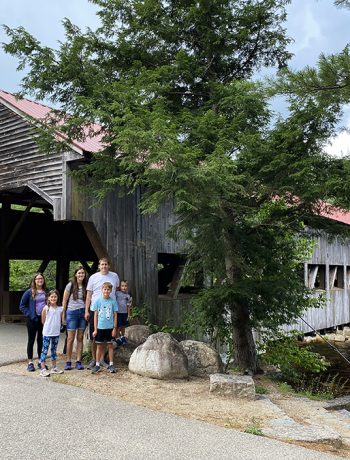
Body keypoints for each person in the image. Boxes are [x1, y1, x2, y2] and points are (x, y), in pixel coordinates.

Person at [85, 257, 120, 369]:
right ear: (99, 266)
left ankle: (102, 360)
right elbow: (89, 295)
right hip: (95, 309)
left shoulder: (114, 276)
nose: (104, 266)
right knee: (93, 336)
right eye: (102, 264)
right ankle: (94, 359)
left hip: (109, 310)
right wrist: (86, 310)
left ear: (108, 265)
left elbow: (117, 291)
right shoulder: (93, 277)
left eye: (106, 264)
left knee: (107, 337)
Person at [19, 272, 49, 372]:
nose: (40, 280)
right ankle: (30, 362)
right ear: (34, 280)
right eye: (37, 279)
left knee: (41, 340)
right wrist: (30, 315)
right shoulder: (29, 292)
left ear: (43, 280)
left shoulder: (46, 291)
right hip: (32, 319)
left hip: (43, 320)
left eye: (41, 279)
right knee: (31, 340)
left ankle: (41, 361)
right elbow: (22, 306)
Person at [62, 266, 88, 370]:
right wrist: (63, 314)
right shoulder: (70, 285)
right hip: (72, 312)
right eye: (79, 273)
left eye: (83, 273)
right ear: (76, 274)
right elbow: (64, 300)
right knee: (70, 338)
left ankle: (78, 361)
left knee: (80, 338)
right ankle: (68, 361)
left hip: (82, 313)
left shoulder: (86, 286)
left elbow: (88, 300)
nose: (81, 275)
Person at [91, 282, 118, 374]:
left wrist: (114, 328)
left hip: (110, 327)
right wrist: (95, 329)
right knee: (99, 346)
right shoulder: (98, 301)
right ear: (102, 290)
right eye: (105, 289)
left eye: (108, 289)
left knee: (110, 345)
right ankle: (97, 365)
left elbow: (115, 315)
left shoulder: (113, 302)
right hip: (100, 327)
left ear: (110, 291)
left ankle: (111, 364)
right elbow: (95, 316)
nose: (106, 291)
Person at [39, 289, 64, 377]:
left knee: (54, 350)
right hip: (47, 333)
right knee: (44, 350)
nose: (53, 298)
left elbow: (62, 320)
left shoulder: (61, 309)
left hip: (56, 333)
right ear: (48, 298)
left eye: (55, 297)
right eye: (52, 297)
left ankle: (54, 367)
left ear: (58, 298)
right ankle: (42, 368)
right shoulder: (46, 308)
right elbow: (43, 320)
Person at [115, 280, 132, 345]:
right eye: (122, 286)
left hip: (124, 313)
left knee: (123, 326)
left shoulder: (128, 296)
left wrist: (129, 315)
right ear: (120, 286)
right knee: (118, 326)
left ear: (127, 287)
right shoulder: (117, 293)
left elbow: (129, 306)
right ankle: (117, 337)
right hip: (118, 313)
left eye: (125, 286)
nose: (124, 287)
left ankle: (122, 337)